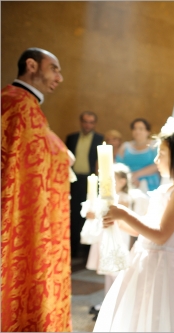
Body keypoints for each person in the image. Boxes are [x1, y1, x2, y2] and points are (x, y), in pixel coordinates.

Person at [93, 126, 174, 332]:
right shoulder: (169, 188)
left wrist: (125, 214)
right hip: (143, 258)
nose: (156, 160)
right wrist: (118, 222)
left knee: (155, 315)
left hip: (162, 263)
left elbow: (162, 235)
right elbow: (142, 231)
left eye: (161, 154)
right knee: (137, 313)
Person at [1, 47, 71, 331]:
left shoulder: (18, 100)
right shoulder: (20, 103)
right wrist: (61, 154)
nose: (60, 77)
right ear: (31, 65)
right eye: (54, 68)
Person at [86, 163, 134, 321]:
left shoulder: (124, 198)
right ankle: (108, 302)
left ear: (122, 181)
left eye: (112, 179)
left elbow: (114, 214)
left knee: (116, 271)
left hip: (118, 236)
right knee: (108, 272)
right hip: (105, 236)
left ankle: (119, 304)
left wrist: (98, 213)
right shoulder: (106, 197)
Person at [66, 111, 104, 259]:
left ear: (94, 124)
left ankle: (87, 252)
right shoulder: (72, 138)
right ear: (81, 122)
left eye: (91, 122)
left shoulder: (99, 139)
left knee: (89, 213)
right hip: (74, 180)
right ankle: (73, 249)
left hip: (90, 180)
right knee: (74, 213)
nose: (88, 125)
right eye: (85, 121)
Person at [116, 118, 160, 193]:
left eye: (141, 129)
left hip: (150, 184)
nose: (137, 131)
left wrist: (136, 175)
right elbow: (118, 165)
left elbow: (157, 165)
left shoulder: (154, 145)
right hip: (128, 183)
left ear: (147, 131)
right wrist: (129, 178)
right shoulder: (125, 146)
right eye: (134, 129)